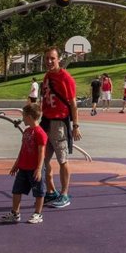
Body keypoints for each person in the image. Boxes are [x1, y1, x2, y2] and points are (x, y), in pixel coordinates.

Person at [40, 48, 81, 209]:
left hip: (59, 123)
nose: (49, 61)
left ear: (58, 59)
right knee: (42, 159)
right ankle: (51, 191)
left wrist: (75, 125)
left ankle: (64, 194)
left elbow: (73, 103)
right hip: (46, 121)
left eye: (52, 58)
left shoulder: (66, 78)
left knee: (62, 159)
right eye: (47, 58)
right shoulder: (47, 76)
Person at [2, 102, 48, 224]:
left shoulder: (40, 133)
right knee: (16, 190)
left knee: (38, 191)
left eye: (24, 116)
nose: (22, 119)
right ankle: (15, 213)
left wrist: (39, 169)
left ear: (29, 117)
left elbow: (42, 152)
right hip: (23, 167)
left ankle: (38, 213)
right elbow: (22, 149)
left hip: (34, 168)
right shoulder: (27, 131)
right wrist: (16, 164)